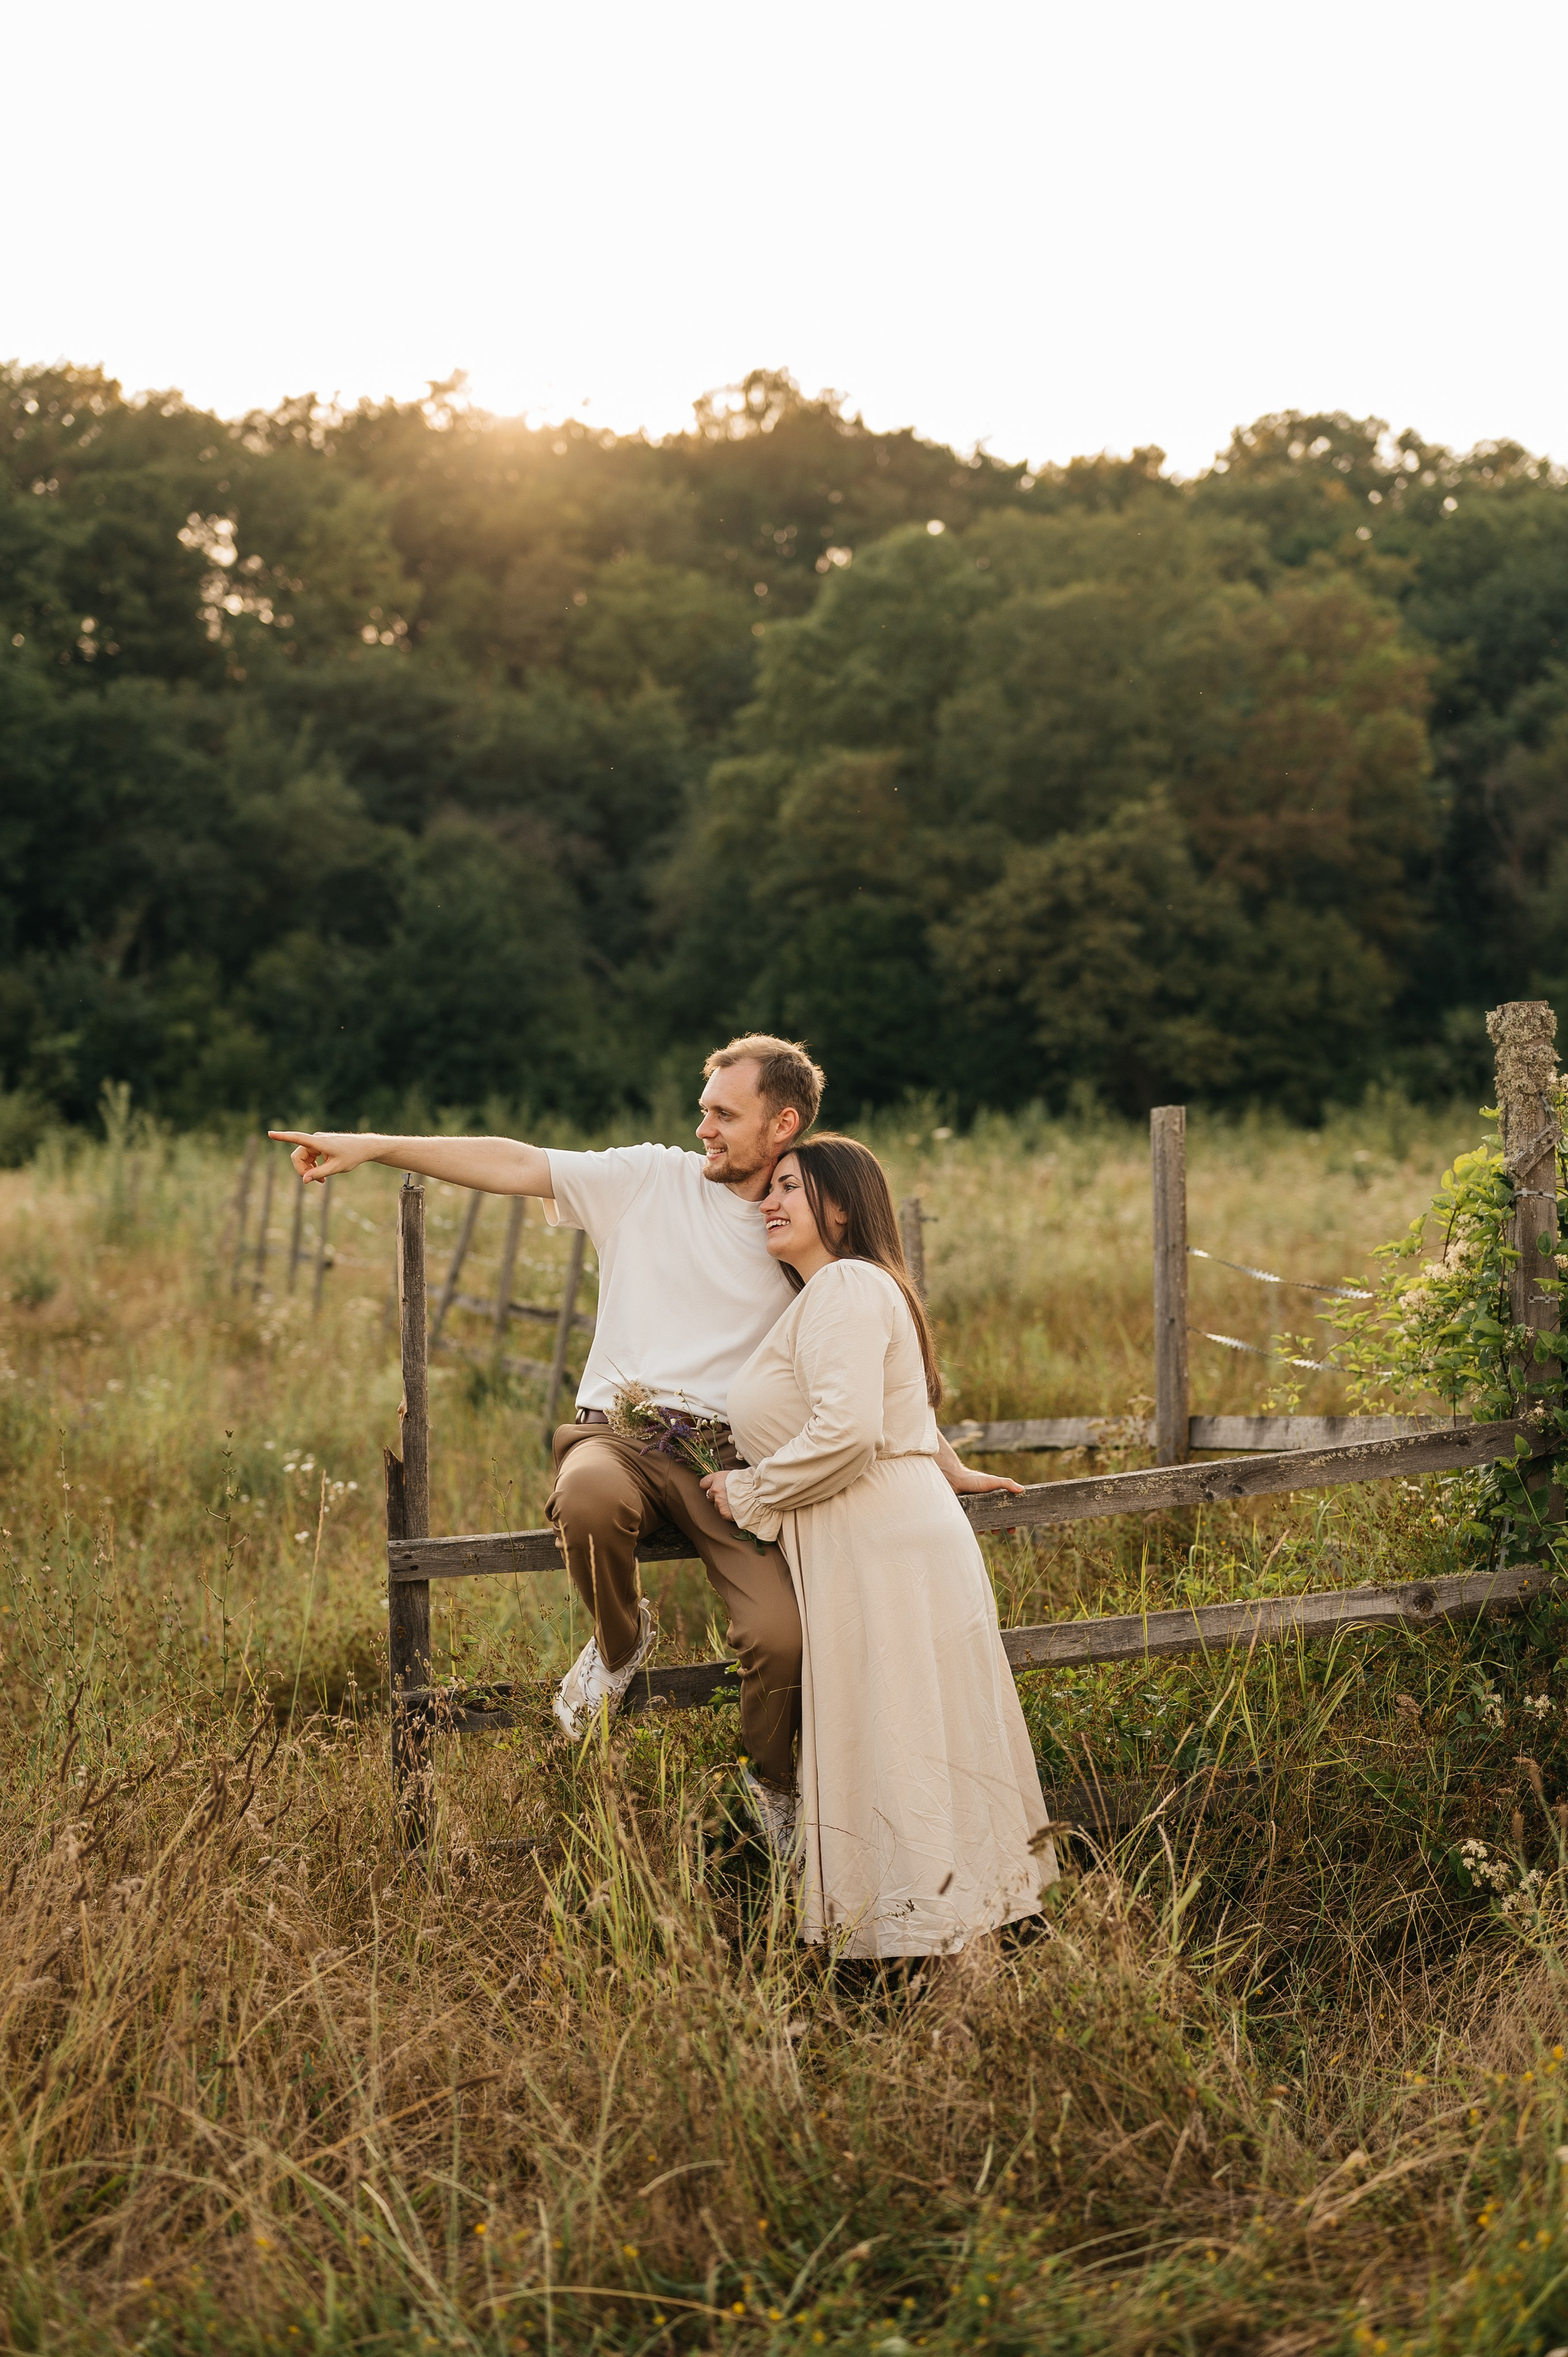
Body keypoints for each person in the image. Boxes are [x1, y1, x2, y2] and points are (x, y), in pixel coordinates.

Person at [269, 1038, 1019, 1849]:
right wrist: (375, 1146)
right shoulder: (650, 1180)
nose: (703, 1128)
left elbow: (860, 1366)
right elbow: (516, 1162)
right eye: (704, 1110)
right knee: (587, 1498)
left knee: (782, 1638)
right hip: (621, 1434)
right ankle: (621, 1646)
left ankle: (772, 1788)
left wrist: (942, 1458)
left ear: (784, 1123)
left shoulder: (795, 1227)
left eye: (724, 1114)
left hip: (734, 1464)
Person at [702, 1134, 1055, 1957]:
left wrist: (748, 1490)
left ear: (841, 1206)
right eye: (770, 1189)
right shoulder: (837, 1295)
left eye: (791, 1186)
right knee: (918, 1742)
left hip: (879, 1541)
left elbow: (851, 1431)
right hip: (881, 1533)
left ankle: (951, 1969)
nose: (772, 1201)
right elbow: (890, 1406)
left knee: (909, 1745)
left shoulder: (847, 1285)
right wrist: (949, 1464)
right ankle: (957, 1968)